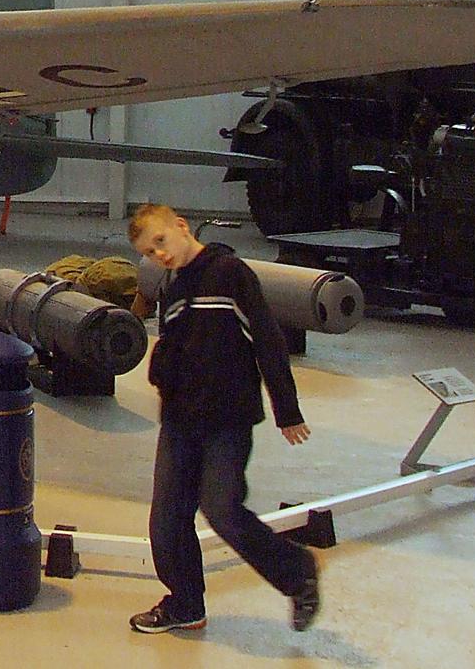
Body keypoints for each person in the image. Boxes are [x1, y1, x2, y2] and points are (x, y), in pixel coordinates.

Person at [127, 203, 321, 635]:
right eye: (148, 251)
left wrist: (286, 408)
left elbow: (268, 341)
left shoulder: (230, 273)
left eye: (160, 241)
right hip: (180, 422)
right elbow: (177, 348)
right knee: (167, 519)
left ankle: (297, 571)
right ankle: (185, 604)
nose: (158, 254)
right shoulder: (173, 288)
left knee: (223, 509)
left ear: (180, 227)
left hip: (226, 421)